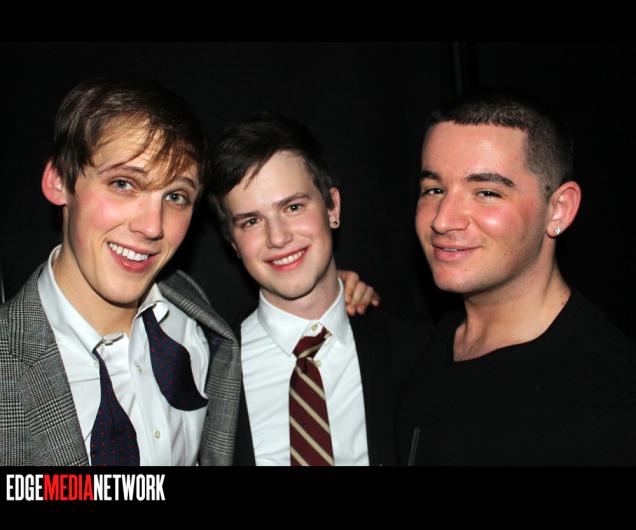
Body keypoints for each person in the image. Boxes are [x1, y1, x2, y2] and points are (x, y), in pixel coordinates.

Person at [0, 77, 374, 466]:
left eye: (175, 196)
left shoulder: (198, 323)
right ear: (59, 180)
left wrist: (331, 292)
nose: (152, 226)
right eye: (124, 184)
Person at [398, 88, 636, 465]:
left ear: (558, 209)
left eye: (486, 192)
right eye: (435, 189)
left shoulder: (610, 400)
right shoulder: (430, 346)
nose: (442, 219)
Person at [207, 112, 429, 466]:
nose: (278, 237)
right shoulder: (207, 372)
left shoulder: (418, 347)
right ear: (232, 242)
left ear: (332, 206)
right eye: (251, 221)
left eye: (293, 207)